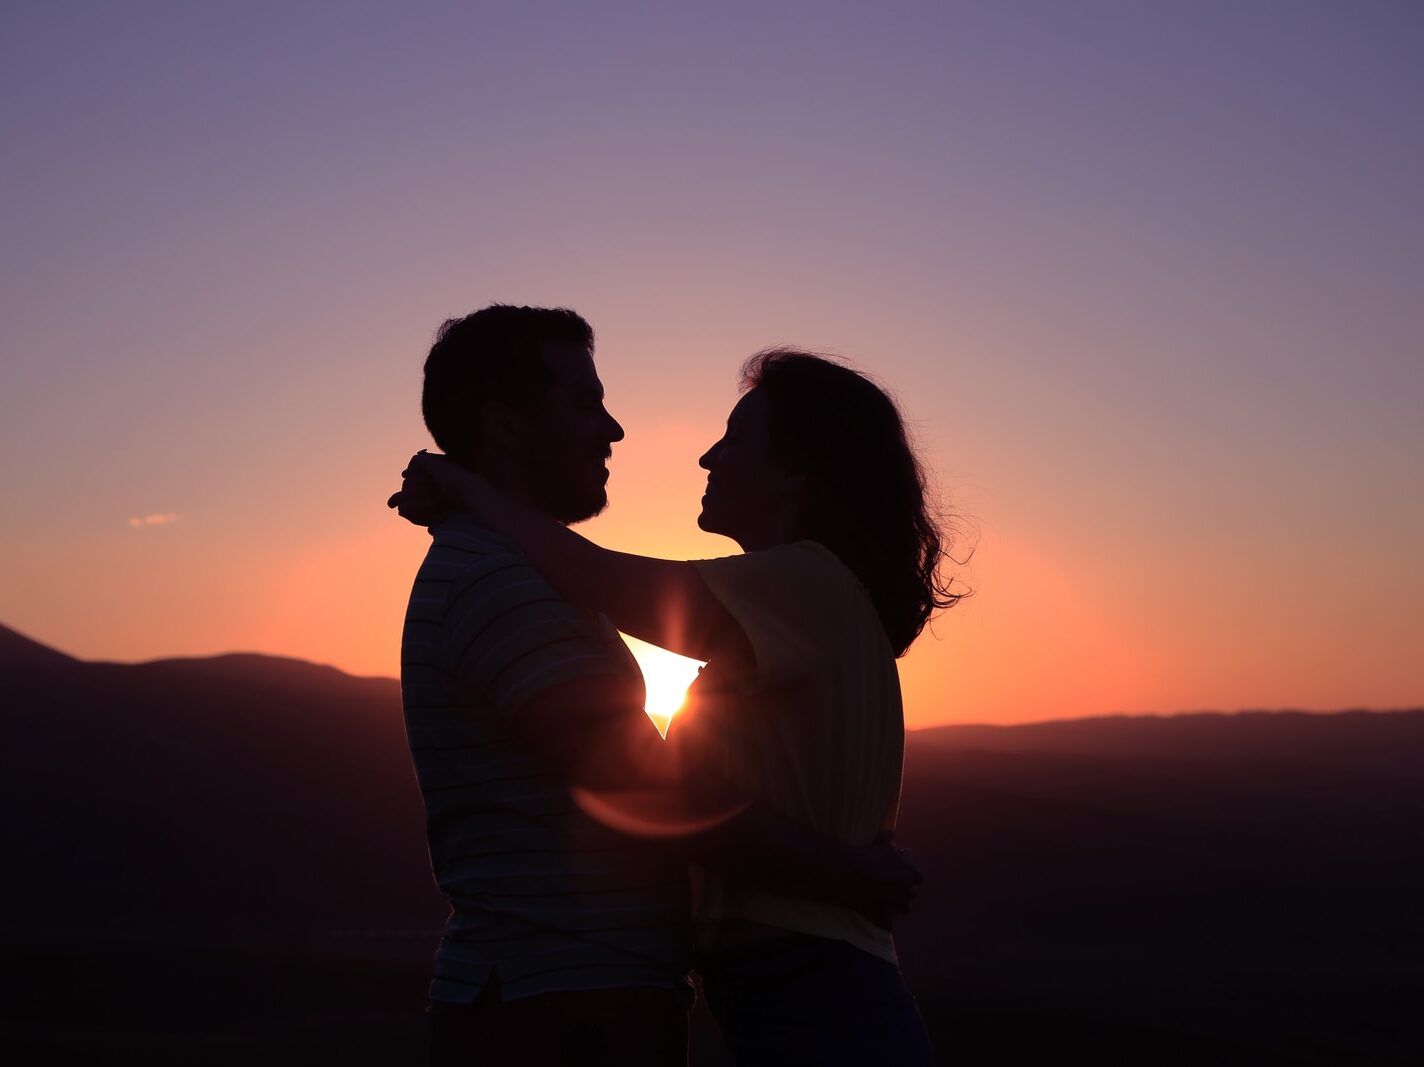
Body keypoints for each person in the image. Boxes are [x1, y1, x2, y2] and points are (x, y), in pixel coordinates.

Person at [394, 344, 957, 1064]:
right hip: (779, 985)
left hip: (814, 987)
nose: (707, 457)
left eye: (735, 438)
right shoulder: (789, 606)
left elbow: (593, 573)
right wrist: (844, 863)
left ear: (796, 470)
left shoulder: (805, 585)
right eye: (586, 403)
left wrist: (465, 488)